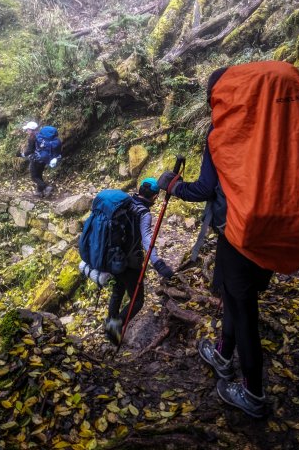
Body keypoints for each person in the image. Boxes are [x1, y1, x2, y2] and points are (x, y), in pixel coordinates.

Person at [158, 66, 272, 419]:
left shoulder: (222, 133)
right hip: (269, 229)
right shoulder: (269, 125)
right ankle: (223, 353)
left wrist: (172, 185)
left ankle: (253, 394)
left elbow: (205, 189)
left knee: (244, 309)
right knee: (234, 297)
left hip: (238, 233)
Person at [104, 177, 174, 345]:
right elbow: (147, 241)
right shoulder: (144, 213)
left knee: (117, 291)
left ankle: (111, 327)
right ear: (155, 197)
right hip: (130, 263)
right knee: (137, 300)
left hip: (113, 257)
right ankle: (115, 329)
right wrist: (158, 263)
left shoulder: (125, 202)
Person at [16, 121, 53, 198]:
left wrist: (21, 155)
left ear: (31, 130)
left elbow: (30, 151)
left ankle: (46, 187)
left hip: (36, 160)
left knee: (34, 177)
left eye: (28, 129)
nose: (27, 131)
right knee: (39, 175)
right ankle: (39, 192)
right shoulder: (42, 135)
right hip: (44, 159)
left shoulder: (32, 138)